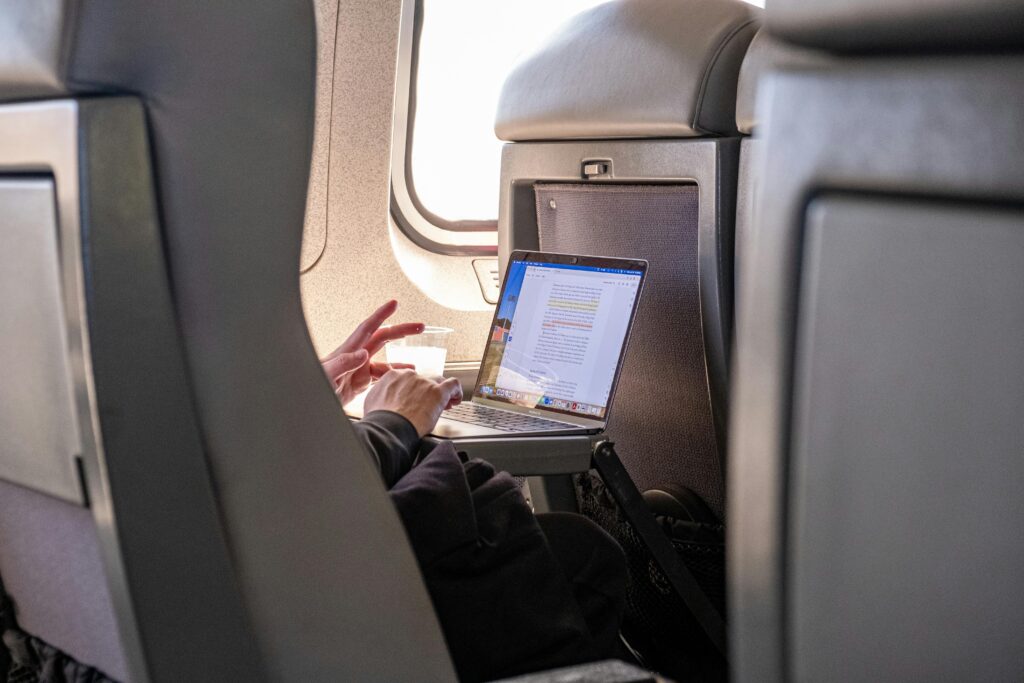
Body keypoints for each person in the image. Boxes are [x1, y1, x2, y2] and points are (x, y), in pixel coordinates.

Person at [321, 300, 629, 682]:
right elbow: (313, 492)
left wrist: (312, 395)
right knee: (582, 549)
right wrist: (392, 421)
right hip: (333, 563)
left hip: (320, 537)